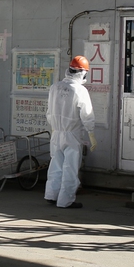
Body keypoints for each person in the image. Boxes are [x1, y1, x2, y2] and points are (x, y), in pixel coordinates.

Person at [44, 55, 97, 209]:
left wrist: (54, 126)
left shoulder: (55, 87)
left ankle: (51, 195)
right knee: (70, 168)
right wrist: (91, 134)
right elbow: (87, 114)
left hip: (56, 132)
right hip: (72, 134)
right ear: (83, 73)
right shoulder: (80, 90)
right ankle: (65, 200)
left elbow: (49, 112)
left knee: (56, 165)